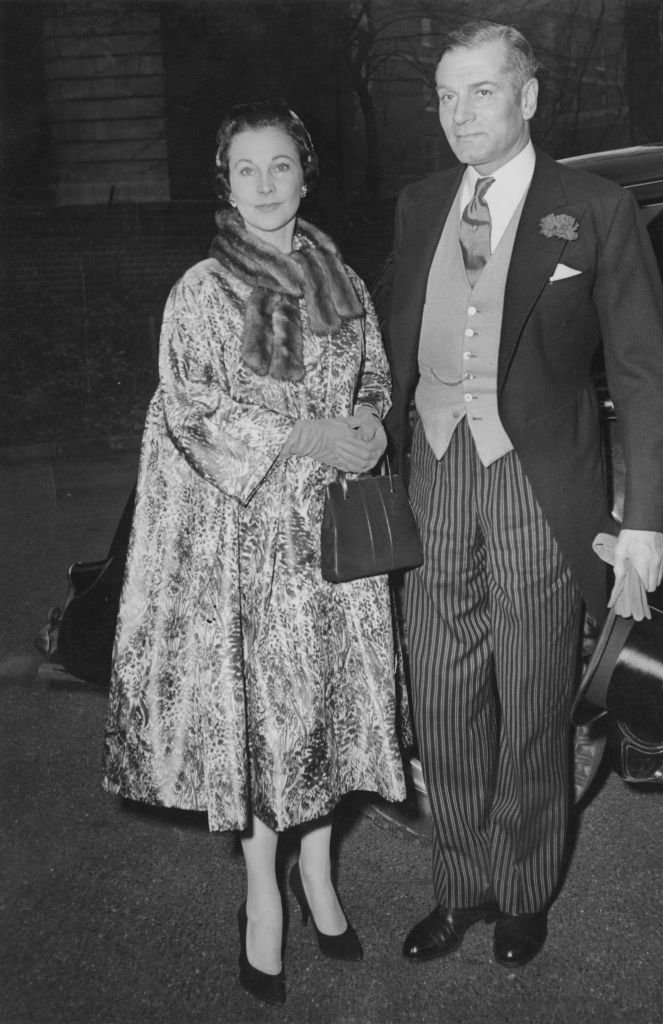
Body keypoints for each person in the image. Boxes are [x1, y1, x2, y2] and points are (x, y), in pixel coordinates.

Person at [383, 22, 663, 969]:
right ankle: (459, 886)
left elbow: (643, 374)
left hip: (534, 485)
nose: (459, 114)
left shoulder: (593, 207)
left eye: (481, 92)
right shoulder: (419, 202)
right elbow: (386, 348)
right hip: (431, 472)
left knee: (535, 698)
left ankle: (523, 889)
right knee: (441, 694)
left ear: (529, 97)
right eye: (444, 95)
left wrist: (643, 523)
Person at [102, 100, 406, 1005]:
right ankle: (261, 897)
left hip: (336, 542)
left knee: (335, 715)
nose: (267, 185)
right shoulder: (201, 291)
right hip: (252, 548)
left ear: (305, 177)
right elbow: (188, 410)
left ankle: (320, 876)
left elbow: (378, 377)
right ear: (227, 185)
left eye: (282, 167)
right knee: (273, 722)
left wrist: (370, 424)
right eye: (248, 170)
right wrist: (306, 435)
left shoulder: (340, 279)